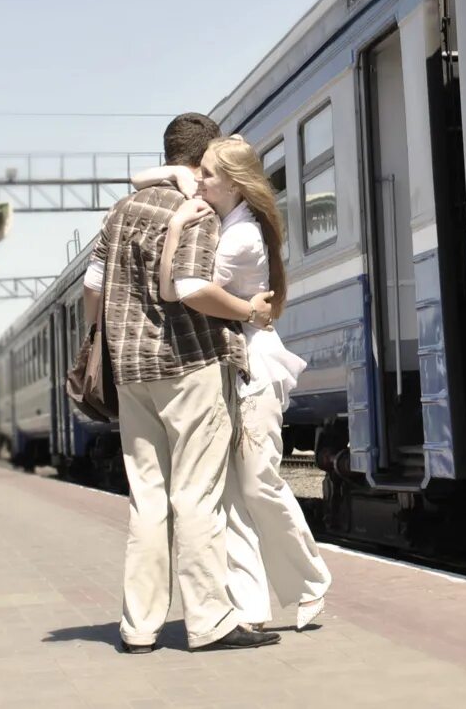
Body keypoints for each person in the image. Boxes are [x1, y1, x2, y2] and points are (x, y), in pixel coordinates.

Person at [81, 112, 280, 655]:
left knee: (148, 499)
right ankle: (209, 620)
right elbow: (191, 287)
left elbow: (92, 288)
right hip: (190, 366)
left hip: (132, 372)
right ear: (202, 160)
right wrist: (248, 311)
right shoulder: (198, 211)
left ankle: (139, 626)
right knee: (197, 494)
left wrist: (107, 338)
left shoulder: (121, 212)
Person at [145, 135, 332, 632]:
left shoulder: (242, 236)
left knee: (257, 483)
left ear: (233, 182)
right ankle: (250, 606)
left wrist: (179, 225)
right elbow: (177, 287)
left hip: (255, 373)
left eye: (207, 173)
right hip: (230, 371)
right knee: (233, 494)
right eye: (199, 171)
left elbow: (185, 290)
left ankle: (312, 580)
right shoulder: (225, 220)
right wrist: (177, 184)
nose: (198, 180)